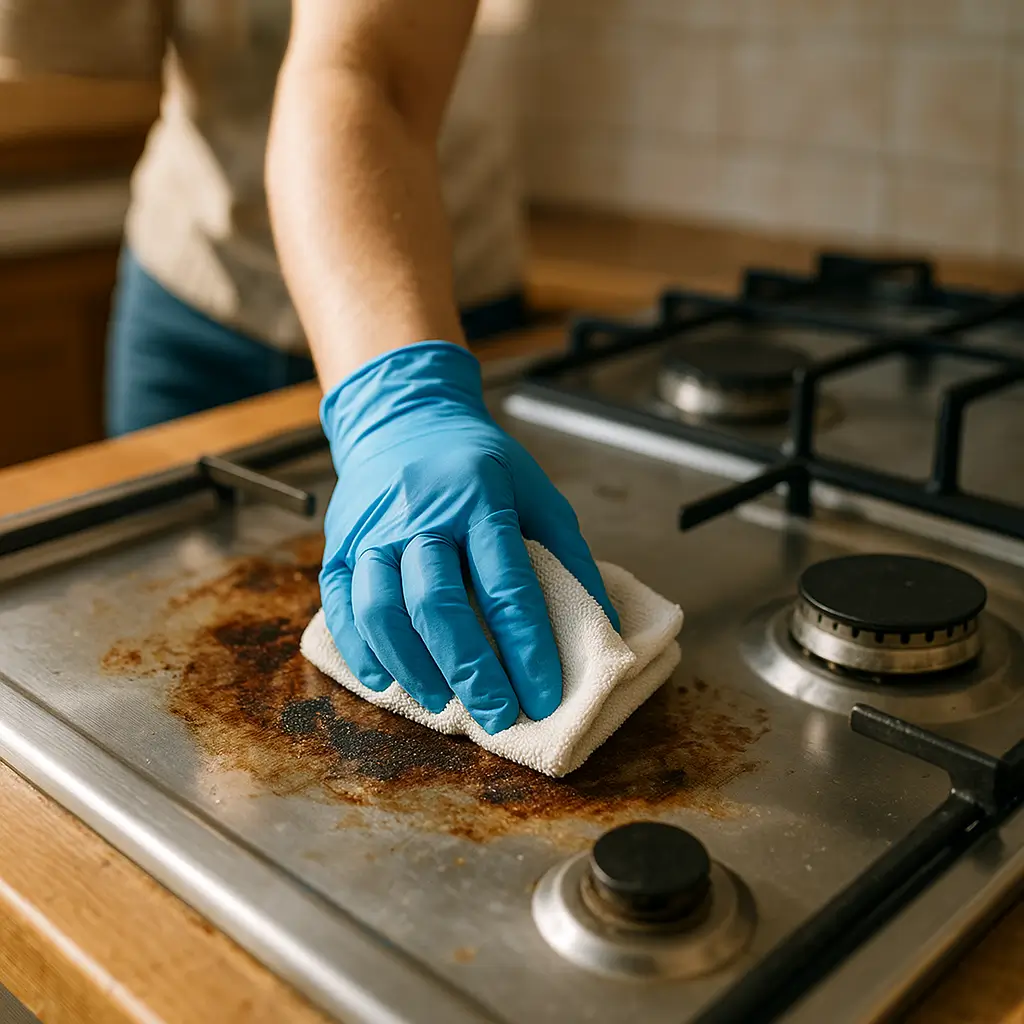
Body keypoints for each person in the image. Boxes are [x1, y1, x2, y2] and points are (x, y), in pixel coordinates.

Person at [0, 0, 618, 735]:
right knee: (166, 675)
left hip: (425, 307)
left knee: (459, 594)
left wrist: (404, 397)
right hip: (197, 289)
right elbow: (72, 47)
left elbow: (372, 73)